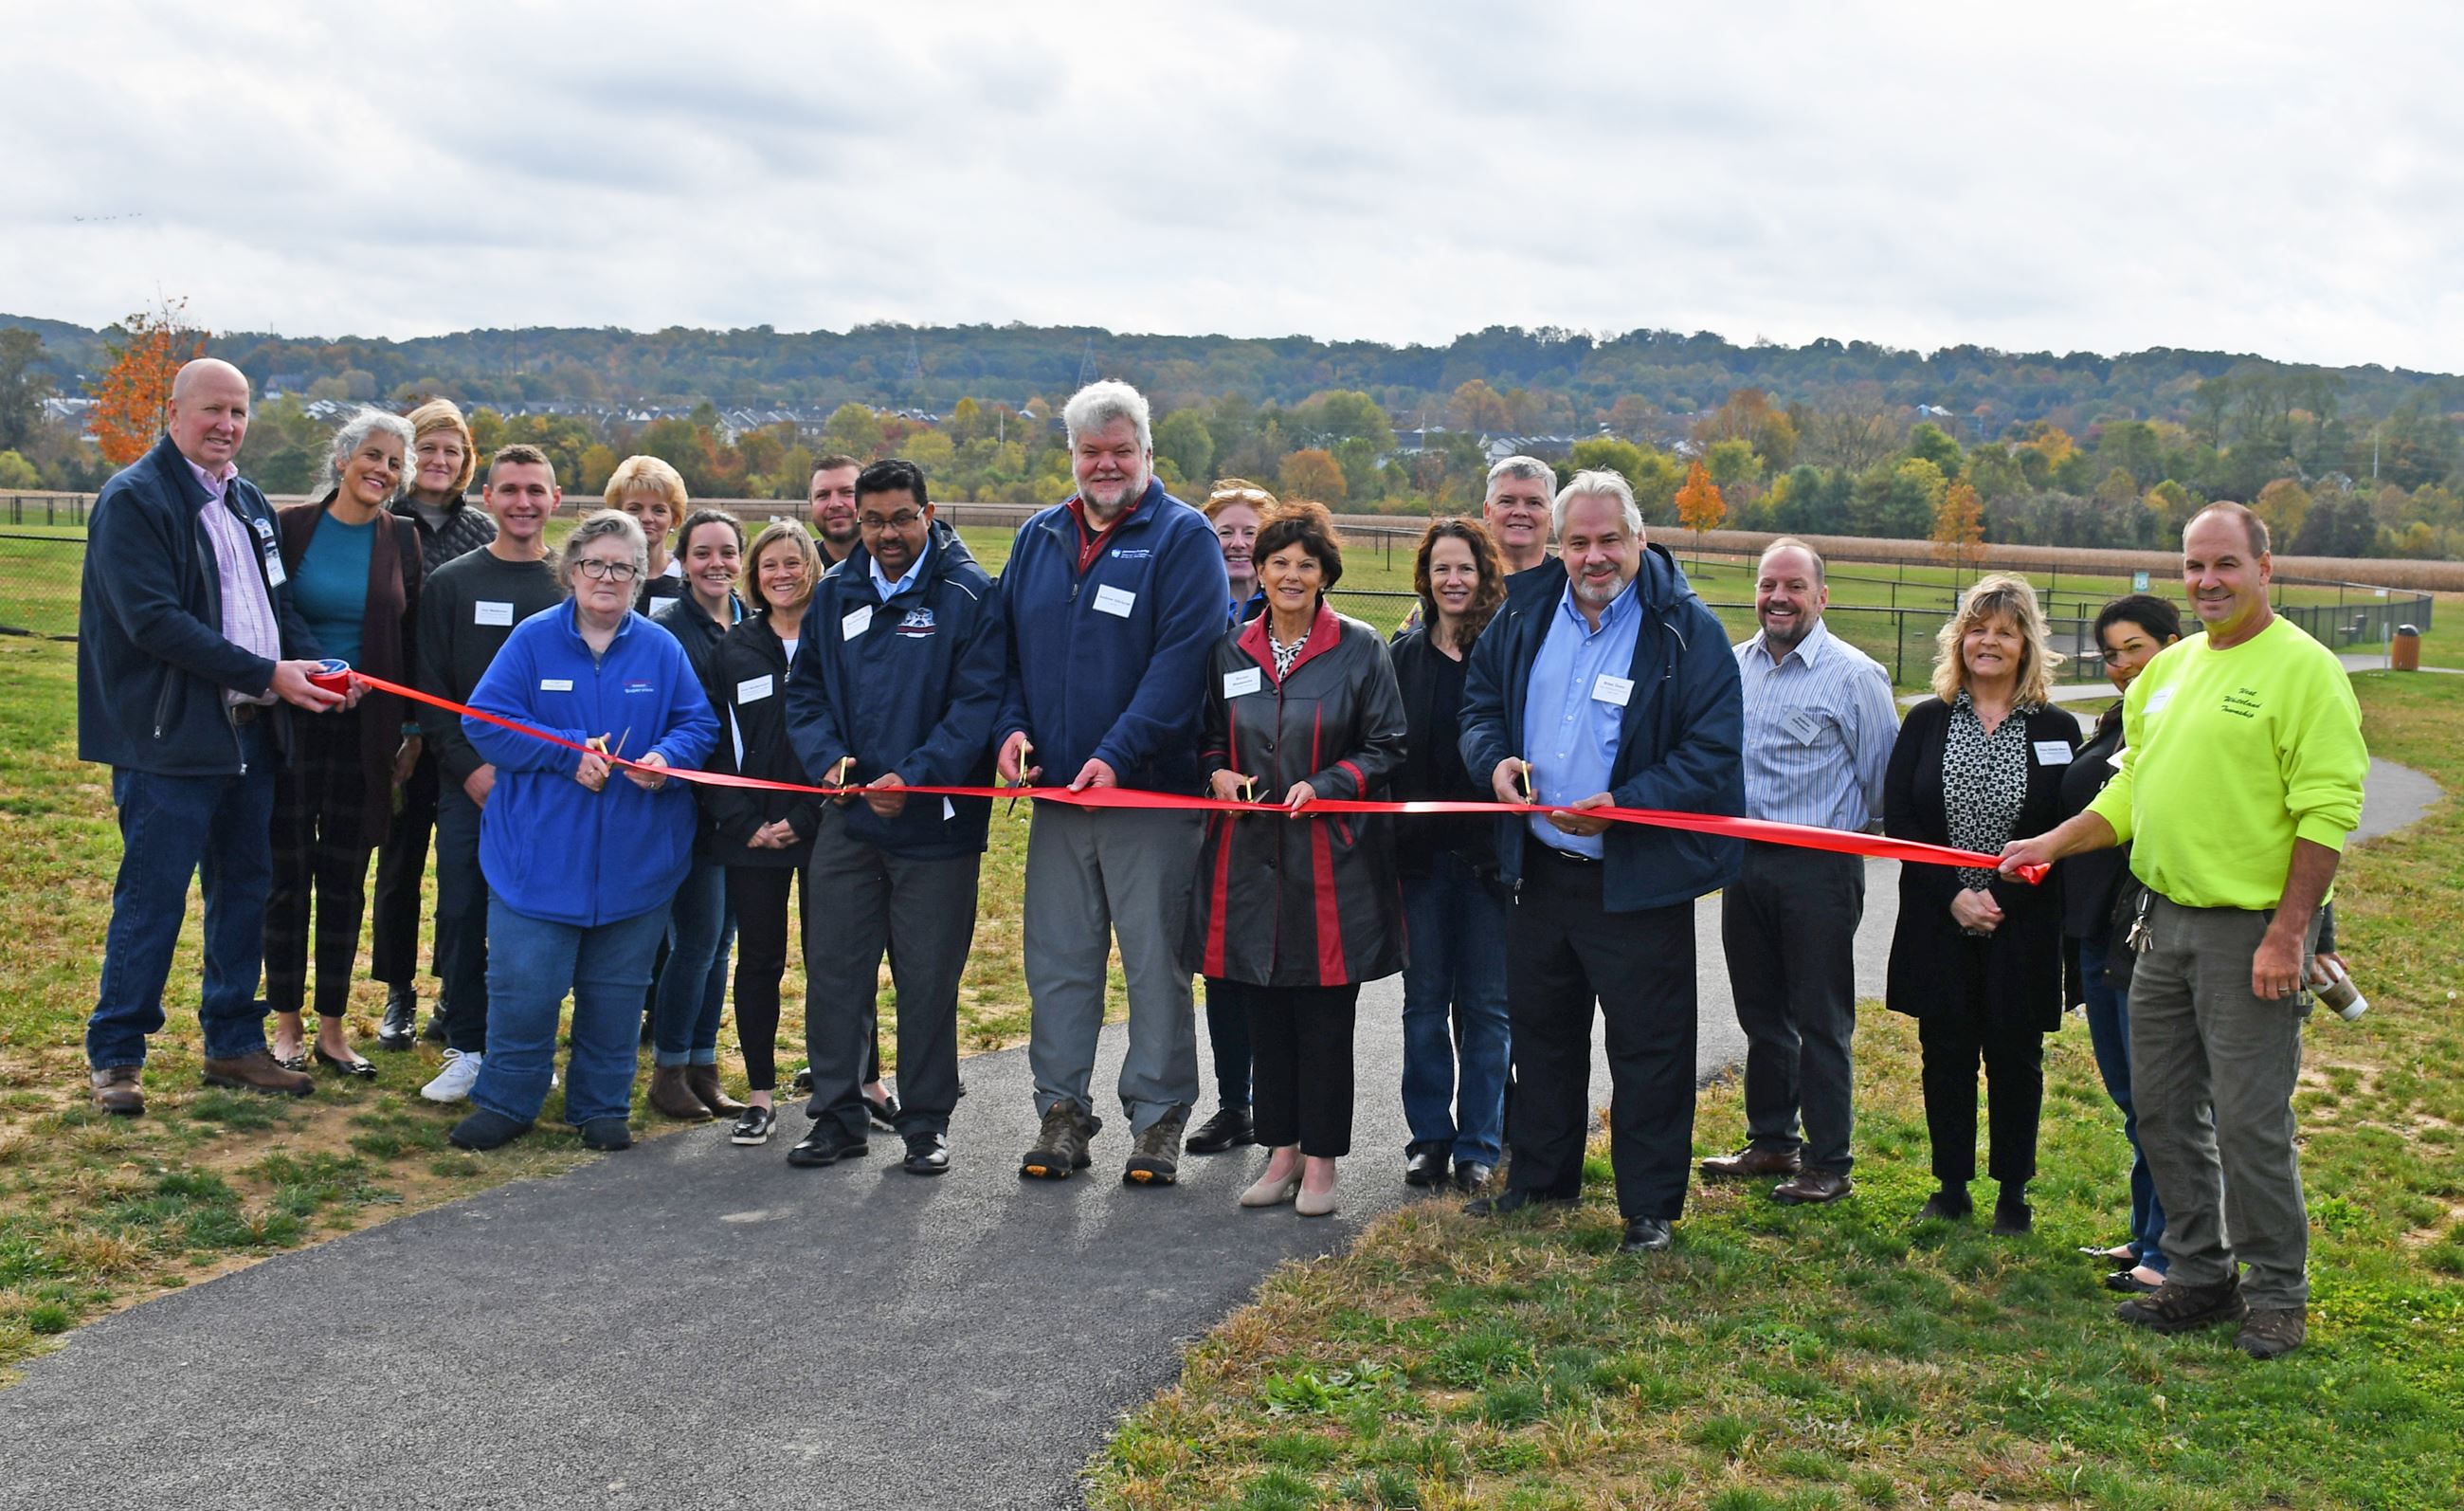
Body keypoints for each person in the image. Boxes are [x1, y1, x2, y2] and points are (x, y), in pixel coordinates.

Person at [2002, 503, 2368, 1360]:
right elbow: (2132, 792)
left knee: (2249, 1122)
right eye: (2195, 566)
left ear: (2265, 567)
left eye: (2226, 565)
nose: (2207, 581)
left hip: (2254, 934)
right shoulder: (2170, 672)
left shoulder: (2304, 672)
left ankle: (2278, 1294)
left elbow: (2326, 813)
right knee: (2162, 1110)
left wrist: (2291, 933)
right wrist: (2053, 844)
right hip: (2161, 924)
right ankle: (2200, 1274)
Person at [1458, 469, 1744, 1254]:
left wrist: (1628, 801)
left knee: (1650, 1050)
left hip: (1636, 877)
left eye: (1608, 540)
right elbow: (1480, 705)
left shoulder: (1687, 629)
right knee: (1543, 1034)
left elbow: (1713, 752)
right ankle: (1542, 1178)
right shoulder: (1523, 616)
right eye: (1577, 541)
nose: (1593, 556)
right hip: (1540, 870)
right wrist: (1493, 764)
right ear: (1559, 544)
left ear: (1639, 540)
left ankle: (1648, 1208)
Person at [78, 357, 346, 1114]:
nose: (226, 425)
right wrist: (270, 673)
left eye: (238, 412)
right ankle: (118, 1055)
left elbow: (276, 603)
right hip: (170, 740)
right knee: (153, 897)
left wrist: (313, 668)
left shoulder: (250, 501)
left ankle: (232, 1043)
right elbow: (155, 622)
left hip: (250, 736)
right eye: (212, 410)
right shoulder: (135, 499)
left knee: (244, 892)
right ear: (173, 413)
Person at [998, 379, 1228, 1185]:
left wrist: (1120, 752)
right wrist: (1012, 732)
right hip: (1060, 798)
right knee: (1059, 962)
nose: (1106, 465)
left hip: (1148, 797)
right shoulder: (1036, 539)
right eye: (1091, 452)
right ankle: (1062, 1112)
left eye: (1120, 451)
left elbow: (1182, 664)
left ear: (1147, 454)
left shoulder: (1183, 538)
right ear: (1072, 457)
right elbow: (1007, 658)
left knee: (1155, 962)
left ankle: (1159, 1116)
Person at [446, 510, 717, 1152]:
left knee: (617, 993)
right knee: (525, 988)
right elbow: (484, 723)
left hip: (637, 861)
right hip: (536, 859)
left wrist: (666, 761)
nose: (608, 577)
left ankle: (600, 1104)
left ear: (642, 577)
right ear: (571, 571)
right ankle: (508, 1099)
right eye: (595, 563)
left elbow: (697, 725)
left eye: (622, 567)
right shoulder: (533, 641)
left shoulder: (660, 648)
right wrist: (567, 753)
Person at [784, 459, 1005, 1175]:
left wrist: (915, 776)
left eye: (901, 518)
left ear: (928, 514)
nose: (886, 533)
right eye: (873, 519)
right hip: (849, 822)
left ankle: (925, 1122)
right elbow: (805, 694)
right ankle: (838, 1115)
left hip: (934, 828)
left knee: (928, 980)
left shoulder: (968, 595)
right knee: (835, 972)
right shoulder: (836, 591)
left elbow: (978, 705)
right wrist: (832, 763)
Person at [1195, 502, 1406, 1217]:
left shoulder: (1359, 646)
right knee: (1265, 1011)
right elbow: (1208, 741)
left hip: (1329, 865)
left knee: (1321, 1020)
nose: (1290, 575)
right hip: (1248, 864)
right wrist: (1218, 773)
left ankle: (1321, 1164)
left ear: (1325, 576)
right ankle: (1279, 1152)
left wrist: (1328, 784)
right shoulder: (1231, 650)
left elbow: (1386, 746)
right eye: (1278, 562)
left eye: (1305, 565)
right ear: (1259, 571)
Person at [1702, 538, 1897, 1205]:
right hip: (1744, 864)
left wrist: (1841, 841)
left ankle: (1829, 1163)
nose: (1777, 597)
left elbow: (1881, 785)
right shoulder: (1732, 668)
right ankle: (1771, 1141)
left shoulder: (1855, 676)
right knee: (1761, 1012)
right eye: (1766, 585)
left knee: (1820, 1017)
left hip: (1819, 868)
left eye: (1792, 586)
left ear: (1821, 596)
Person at [1883, 573, 2078, 1237]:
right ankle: (1950, 1186)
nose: (1988, 642)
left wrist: (1998, 897)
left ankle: (2014, 1194)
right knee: (1946, 1054)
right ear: (1959, 639)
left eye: (2004, 631)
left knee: (2015, 1056)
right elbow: (1903, 820)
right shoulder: (1928, 720)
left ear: (2027, 645)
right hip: (1940, 921)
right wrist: (1958, 898)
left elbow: (2065, 825)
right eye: (1977, 628)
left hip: (2022, 924)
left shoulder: (2056, 728)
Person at [264, 409, 424, 1081]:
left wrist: (410, 730)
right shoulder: (290, 528)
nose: (381, 471)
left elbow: (410, 639)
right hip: (293, 721)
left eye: (394, 463)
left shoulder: (404, 540)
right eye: (373, 456)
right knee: (285, 873)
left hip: (367, 732)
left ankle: (332, 1026)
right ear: (342, 458)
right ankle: (285, 1025)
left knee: (344, 878)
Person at [412, 445, 566, 1104]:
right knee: (465, 908)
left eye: (536, 490)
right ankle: (470, 1046)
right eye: (510, 490)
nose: (523, 502)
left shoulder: (571, 583)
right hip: (470, 788)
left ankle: (527, 1049)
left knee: (542, 920)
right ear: (488, 499)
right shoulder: (451, 584)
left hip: (553, 791)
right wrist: (471, 771)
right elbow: (432, 691)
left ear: (556, 500)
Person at [2058, 593, 2183, 1295]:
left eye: (2134, 648)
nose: (2121, 665)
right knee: (2134, 1100)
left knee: (2166, 1101)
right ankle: (2147, 1235)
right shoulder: (2118, 722)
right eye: (2110, 653)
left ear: (2172, 643)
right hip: (2096, 937)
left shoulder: (2179, 725)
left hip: (2146, 936)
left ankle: (2171, 1253)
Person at [1387, 518, 1512, 1193]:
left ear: (1484, 574)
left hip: (1489, 862)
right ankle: (1429, 1139)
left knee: (1488, 1008)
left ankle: (1480, 1144)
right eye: (1441, 569)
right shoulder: (1402, 655)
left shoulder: (1505, 655)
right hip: (1420, 861)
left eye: (1464, 568)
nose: (1453, 580)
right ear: (1425, 579)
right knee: (1424, 1003)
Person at [371, 398, 497, 1049]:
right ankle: (396, 992)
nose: (439, 461)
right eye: (427, 449)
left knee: (461, 875)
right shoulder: (380, 523)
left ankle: (454, 990)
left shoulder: (480, 532)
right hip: (395, 724)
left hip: (458, 726)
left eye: (453, 451)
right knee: (398, 866)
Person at [703, 521, 826, 1146]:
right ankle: (758, 1095)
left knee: (836, 961)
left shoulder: (835, 642)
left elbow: (849, 736)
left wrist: (805, 818)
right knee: (758, 962)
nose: (782, 573)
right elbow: (714, 743)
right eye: (770, 564)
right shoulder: (732, 648)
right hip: (749, 835)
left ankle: (853, 1084)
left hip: (824, 828)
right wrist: (746, 821)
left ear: (811, 568)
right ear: (754, 574)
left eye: (793, 562)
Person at [644, 507, 747, 1120]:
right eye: (703, 552)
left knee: (723, 942)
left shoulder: (752, 622)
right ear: (683, 560)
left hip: (743, 808)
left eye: (728, 552)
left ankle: (704, 1064)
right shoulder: (665, 628)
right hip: (692, 808)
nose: (717, 564)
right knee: (697, 940)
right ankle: (668, 1069)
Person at [1185, 477, 1277, 1157]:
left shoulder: (1290, 616)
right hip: (1205, 812)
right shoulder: (1193, 610)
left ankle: (1280, 1105)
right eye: (1227, 533)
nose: (1239, 544)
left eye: (1252, 532)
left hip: (1278, 819)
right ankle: (1233, 1103)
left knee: (1273, 962)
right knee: (1220, 964)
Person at [607, 455, 687, 610]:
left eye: (659, 510)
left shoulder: (689, 580)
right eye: (634, 509)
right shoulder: (601, 576)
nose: (647, 518)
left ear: (675, 518)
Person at [808, 453, 861, 568]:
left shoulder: (898, 565)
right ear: (811, 503)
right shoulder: (797, 571)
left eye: (847, 492)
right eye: (823, 495)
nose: (834, 504)